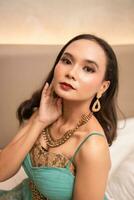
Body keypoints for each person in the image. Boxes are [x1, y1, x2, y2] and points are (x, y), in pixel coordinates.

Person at [0, 33, 119, 200]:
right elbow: (2, 170)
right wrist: (40, 121)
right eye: (67, 61)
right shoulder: (45, 110)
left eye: (88, 69)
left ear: (103, 87)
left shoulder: (93, 146)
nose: (71, 73)